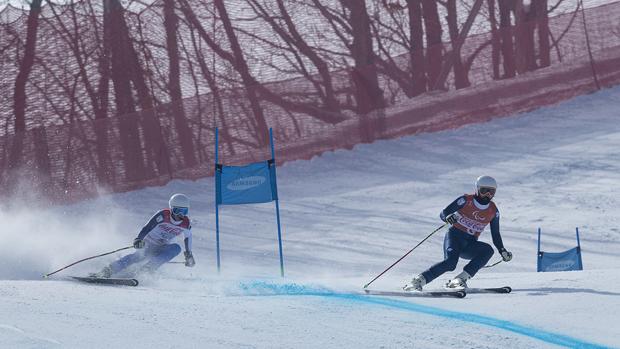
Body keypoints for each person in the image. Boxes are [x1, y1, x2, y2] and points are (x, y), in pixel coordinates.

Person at [404, 176, 512, 291]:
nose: (487, 195)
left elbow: (495, 234)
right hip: (455, 237)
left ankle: (459, 280)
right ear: (477, 189)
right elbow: (444, 213)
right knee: (450, 263)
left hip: (469, 244)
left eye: (491, 192)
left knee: (488, 250)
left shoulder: (493, 210)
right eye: (484, 191)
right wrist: (448, 217)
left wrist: (502, 250)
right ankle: (418, 281)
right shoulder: (466, 200)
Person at [94, 193, 196, 278]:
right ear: (171, 209)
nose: (181, 215)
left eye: (184, 211)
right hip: (148, 244)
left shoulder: (186, 223)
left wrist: (189, 255)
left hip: (162, 248)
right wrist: (139, 239)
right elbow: (147, 227)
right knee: (137, 257)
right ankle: (107, 271)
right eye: (178, 211)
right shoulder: (163, 215)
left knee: (176, 248)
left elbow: (188, 237)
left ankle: (147, 270)